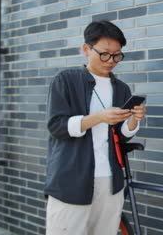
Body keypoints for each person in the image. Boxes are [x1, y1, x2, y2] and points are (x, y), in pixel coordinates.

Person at [44, 20, 146, 235]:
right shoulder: (66, 80)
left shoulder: (121, 88)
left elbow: (119, 136)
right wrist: (98, 117)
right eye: (105, 54)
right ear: (86, 49)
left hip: (110, 181)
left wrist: (134, 120)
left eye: (117, 55)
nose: (111, 61)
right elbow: (57, 126)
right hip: (71, 179)